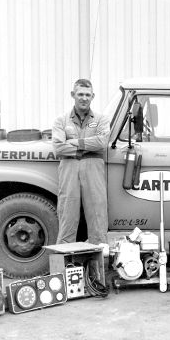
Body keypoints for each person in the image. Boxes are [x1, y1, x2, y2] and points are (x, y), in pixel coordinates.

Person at [52, 79, 110, 247]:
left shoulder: (101, 119)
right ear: (73, 95)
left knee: (97, 216)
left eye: (87, 95)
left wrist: (75, 142)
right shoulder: (61, 120)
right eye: (80, 94)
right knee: (67, 216)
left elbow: (102, 142)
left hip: (93, 168)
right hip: (69, 168)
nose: (84, 98)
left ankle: (98, 268)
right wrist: (86, 148)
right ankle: (65, 266)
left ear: (93, 96)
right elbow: (58, 148)